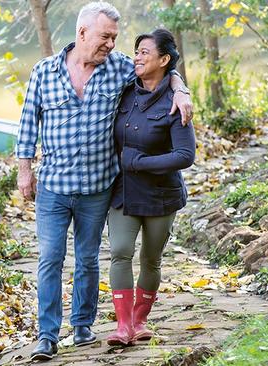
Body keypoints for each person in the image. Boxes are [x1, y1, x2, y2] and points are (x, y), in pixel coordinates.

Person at [15, 2, 193, 361]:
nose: (112, 44)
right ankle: (47, 335)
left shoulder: (120, 69)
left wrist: (180, 87)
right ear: (82, 33)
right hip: (53, 185)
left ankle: (82, 326)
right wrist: (24, 170)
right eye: (106, 37)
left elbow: (159, 67)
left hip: (98, 185)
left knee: (88, 259)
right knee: (50, 258)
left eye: (115, 37)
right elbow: (26, 124)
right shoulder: (44, 71)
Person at [106, 28, 195, 346]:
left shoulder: (176, 102)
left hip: (161, 194)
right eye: (136, 51)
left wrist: (138, 162)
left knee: (151, 259)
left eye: (145, 51)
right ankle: (123, 325)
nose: (137, 57)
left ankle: (141, 321)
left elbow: (185, 156)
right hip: (124, 191)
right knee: (119, 252)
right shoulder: (124, 90)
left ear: (164, 59)